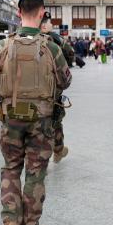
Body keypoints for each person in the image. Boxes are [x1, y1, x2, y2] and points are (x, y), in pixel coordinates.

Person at [0, 0, 72, 225]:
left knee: (10, 168)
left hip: (11, 119)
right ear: (42, 13)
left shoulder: (3, 45)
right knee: (35, 174)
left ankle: (10, 221)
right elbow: (66, 80)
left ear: (19, 13)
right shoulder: (51, 47)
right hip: (41, 122)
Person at [40, 11, 73, 162]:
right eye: (50, 22)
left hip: (23, 91)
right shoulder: (56, 40)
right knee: (55, 118)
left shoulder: (16, 39)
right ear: (45, 25)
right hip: (51, 87)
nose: (52, 25)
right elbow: (70, 54)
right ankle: (58, 150)